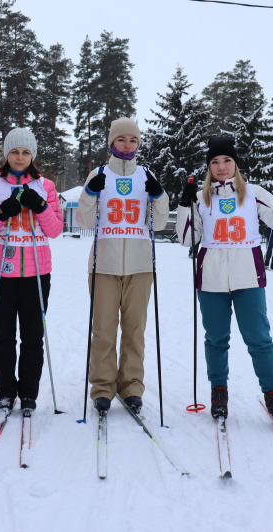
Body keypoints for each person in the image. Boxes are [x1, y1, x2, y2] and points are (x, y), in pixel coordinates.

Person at [176, 136, 273, 426]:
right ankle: (219, 391)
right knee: (216, 339)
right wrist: (185, 204)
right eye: (215, 162)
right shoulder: (201, 197)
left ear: (236, 164)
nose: (221, 167)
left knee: (259, 339)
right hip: (211, 280)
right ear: (209, 167)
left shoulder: (253, 193)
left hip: (248, 277)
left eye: (227, 161)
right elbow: (186, 239)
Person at [77, 117, 169, 414]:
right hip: (104, 263)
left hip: (140, 266)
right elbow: (85, 221)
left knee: (134, 329)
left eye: (133, 140)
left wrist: (159, 195)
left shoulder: (146, 174)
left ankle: (131, 386)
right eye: (121, 140)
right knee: (104, 329)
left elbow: (160, 220)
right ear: (111, 142)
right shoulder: (99, 173)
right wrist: (91, 194)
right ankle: (102, 387)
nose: (127, 145)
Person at [0, 128, 64, 412]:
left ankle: (28, 393)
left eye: (26, 152)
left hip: (36, 272)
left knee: (32, 335)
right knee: (2, 335)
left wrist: (38, 205)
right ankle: (5, 392)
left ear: (33, 155)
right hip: (0, 270)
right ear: (6, 153)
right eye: (14, 151)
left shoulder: (46, 186)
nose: (20, 157)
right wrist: (3, 211)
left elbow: (55, 229)